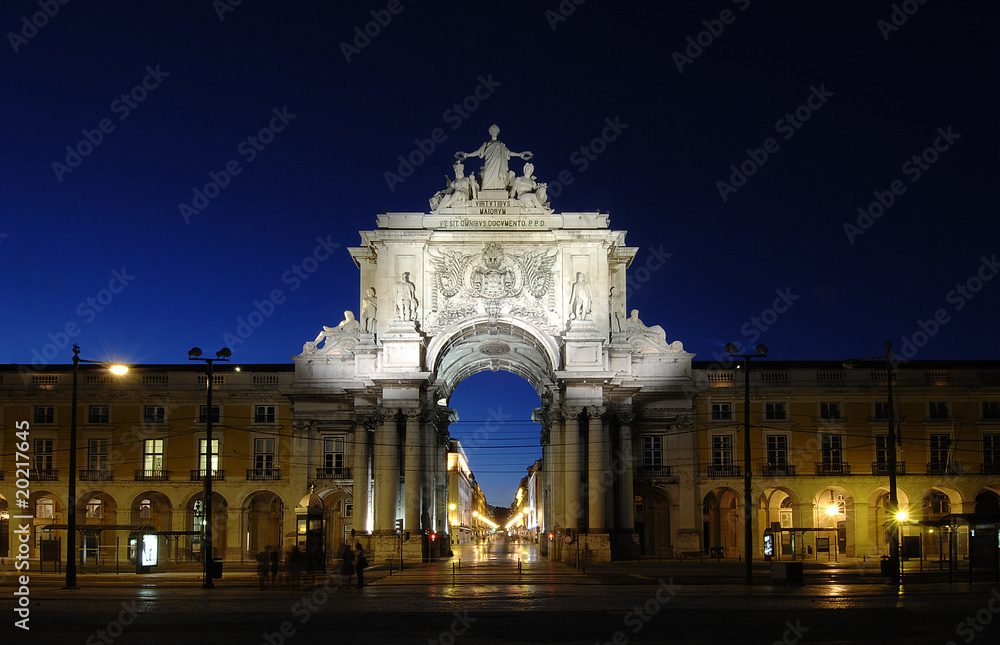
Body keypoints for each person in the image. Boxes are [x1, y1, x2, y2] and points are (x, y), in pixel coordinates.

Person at [456, 124, 532, 190]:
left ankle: (499, 189)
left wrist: (519, 154)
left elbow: (508, 152)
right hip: (489, 163)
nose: (494, 132)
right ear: (490, 132)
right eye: (493, 131)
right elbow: (478, 152)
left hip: (498, 164)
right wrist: (468, 155)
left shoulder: (500, 144)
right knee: (486, 177)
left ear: (497, 132)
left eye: (495, 131)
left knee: (498, 180)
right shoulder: (486, 143)